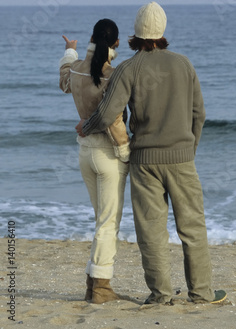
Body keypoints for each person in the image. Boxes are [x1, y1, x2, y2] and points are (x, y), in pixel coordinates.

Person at [76, 2, 226, 305]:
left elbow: (107, 115)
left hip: (145, 162)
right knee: (193, 228)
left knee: (151, 232)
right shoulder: (184, 64)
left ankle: (160, 295)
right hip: (182, 159)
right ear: (163, 31)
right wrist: (189, 149)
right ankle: (202, 293)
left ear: (136, 34)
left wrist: (86, 125)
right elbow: (199, 114)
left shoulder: (129, 68)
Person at [59, 19, 130, 304]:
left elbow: (64, 78)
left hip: (85, 153)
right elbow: (113, 119)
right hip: (108, 154)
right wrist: (125, 152)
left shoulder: (76, 68)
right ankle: (101, 287)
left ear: (91, 37)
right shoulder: (113, 74)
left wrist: (69, 50)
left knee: (101, 220)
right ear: (116, 44)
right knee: (108, 223)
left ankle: (92, 284)